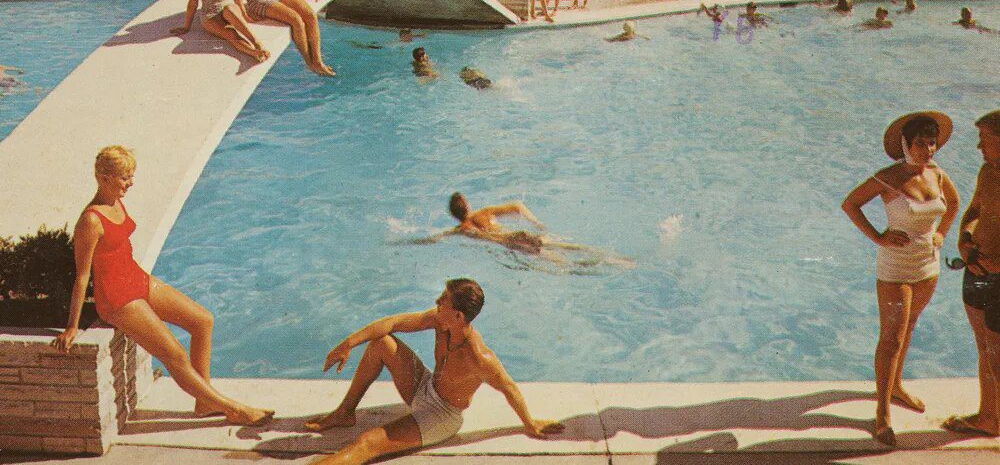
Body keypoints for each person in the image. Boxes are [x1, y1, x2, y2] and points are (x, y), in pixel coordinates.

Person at [53, 147, 274, 426]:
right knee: (175, 356)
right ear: (104, 178)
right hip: (117, 297)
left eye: (130, 176)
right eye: (124, 177)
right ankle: (235, 409)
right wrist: (72, 326)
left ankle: (204, 402)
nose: (130, 183)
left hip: (137, 280)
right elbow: (82, 276)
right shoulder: (91, 220)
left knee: (202, 321)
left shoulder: (117, 202)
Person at [304, 279, 564, 463]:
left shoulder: (479, 358)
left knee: (367, 443)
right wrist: (348, 344)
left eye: (444, 299)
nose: (437, 301)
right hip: (425, 386)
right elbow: (391, 323)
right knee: (380, 342)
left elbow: (508, 387)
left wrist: (529, 424)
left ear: (459, 316)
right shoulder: (441, 321)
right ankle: (344, 412)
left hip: (441, 416)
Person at [842, 112, 960, 446]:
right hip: (895, 267)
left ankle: (895, 387)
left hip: (928, 265)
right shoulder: (888, 178)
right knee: (891, 337)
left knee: (908, 328)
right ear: (905, 145)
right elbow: (850, 204)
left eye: (932, 142)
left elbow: (953, 203)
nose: (929, 150)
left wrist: (942, 235)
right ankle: (881, 413)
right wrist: (878, 238)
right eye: (921, 143)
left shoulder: (937, 174)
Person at [944, 110, 1000, 437]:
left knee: (997, 354)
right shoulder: (987, 172)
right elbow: (974, 211)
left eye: (985, 140)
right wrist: (964, 240)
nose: (979, 147)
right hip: (977, 268)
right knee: (984, 348)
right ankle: (988, 416)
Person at [435, 193, 634, 268]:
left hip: (513, 243)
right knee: (570, 247)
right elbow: (517, 205)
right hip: (521, 235)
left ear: (454, 214)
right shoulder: (484, 214)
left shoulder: (460, 230)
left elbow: (436, 238)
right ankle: (617, 259)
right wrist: (535, 222)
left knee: (565, 264)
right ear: (467, 205)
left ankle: (610, 263)